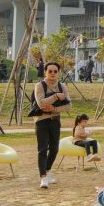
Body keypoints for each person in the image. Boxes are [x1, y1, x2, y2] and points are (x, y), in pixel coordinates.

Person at [33, 61, 71, 189]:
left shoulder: (63, 87)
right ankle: (43, 177)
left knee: (54, 149)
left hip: (55, 120)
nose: (53, 73)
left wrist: (54, 109)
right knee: (43, 149)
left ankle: (47, 170)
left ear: (58, 72)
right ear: (45, 72)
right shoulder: (39, 86)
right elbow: (41, 103)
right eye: (50, 71)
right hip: (41, 121)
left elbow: (69, 105)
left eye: (55, 71)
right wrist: (56, 96)